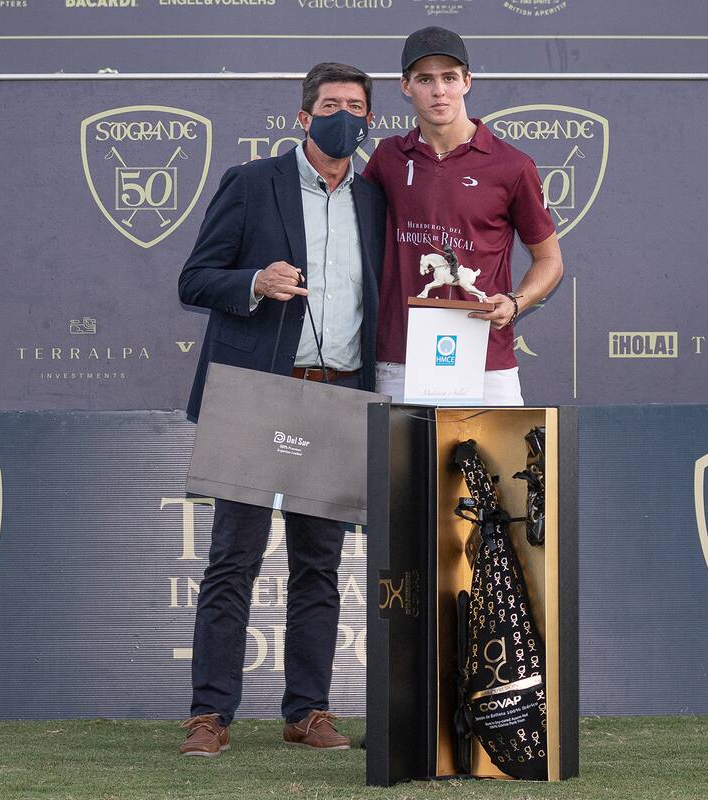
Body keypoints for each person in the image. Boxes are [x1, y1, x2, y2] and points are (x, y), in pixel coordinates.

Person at [175, 62, 386, 757]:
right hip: (256, 395)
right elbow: (194, 280)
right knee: (232, 559)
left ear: (369, 120)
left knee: (319, 564)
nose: (344, 117)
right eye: (330, 105)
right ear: (303, 118)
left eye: (357, 107)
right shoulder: (250, 182)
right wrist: (255, 281)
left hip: (336, 392)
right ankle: (210, 714)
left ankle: (308, 712)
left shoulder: (375, 198)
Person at [363, 26, 565, 405]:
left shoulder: (513, 165)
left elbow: (550, 260)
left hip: (487, 362)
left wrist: (515, 302)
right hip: (398, 361)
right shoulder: (387, 158)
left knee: (495, 467)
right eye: (425, 79)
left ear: (467, 82)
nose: (439, 90)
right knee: (398, 468)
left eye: (449, 78)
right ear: (406, 86)